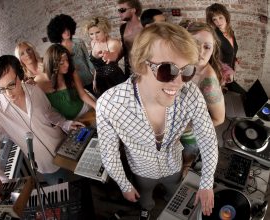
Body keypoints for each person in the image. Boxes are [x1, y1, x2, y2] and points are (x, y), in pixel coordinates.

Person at [96, 23, 218, 220]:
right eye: (167, 70)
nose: (178, 83)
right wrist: (125, 184)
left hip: (174, 165)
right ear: (141, 64)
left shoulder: (191, 93)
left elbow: (208, 138)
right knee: (146, 200)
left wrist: (206, 183)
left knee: (174, 194)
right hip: (142, 170)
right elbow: (109, 154)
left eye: (187, 71)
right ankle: (147, 208)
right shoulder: (109, 105)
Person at [0, 55, 84, 202]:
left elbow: (49, 112)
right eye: (2, 89)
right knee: (69, 202)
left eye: (11, 85)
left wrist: (66, 124)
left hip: (65, 149)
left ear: (21, 75)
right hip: (46, 167)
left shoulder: (34, 90)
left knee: (83, 189)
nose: (8, 93)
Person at [179, 21, 225, 172]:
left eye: (207, 47)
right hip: (175, 130)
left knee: (182, 168)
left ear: (213, 50)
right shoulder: (185, 65)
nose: (201, 51)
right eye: (195, 43)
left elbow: (219, 118)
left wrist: (186, 127)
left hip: (189, 138)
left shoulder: (208, 81)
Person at [35, 44, 96, 120]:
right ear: (51, 64)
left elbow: (82, 94)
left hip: (84, 109)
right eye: (61, 63)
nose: (67, 65)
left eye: (67, 60)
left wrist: (95, 106)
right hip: (66, 122)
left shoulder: (72, 73)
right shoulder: (39, 82)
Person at [47, 14, 95, 94]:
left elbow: (88, 58)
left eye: (68, 29)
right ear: (58, 33)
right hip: (72, 83)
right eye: (63, 31)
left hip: (88, 78)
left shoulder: (79, 42)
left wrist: (94, 75)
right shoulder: (58, 49)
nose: (67, 32)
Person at [84, 16, 127, 97]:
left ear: (104, 30)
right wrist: (94, 79)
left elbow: (115, 54)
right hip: (100, 81)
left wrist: (111, 55)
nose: (94, 37)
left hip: (114, 79)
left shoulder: (113, 43)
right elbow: (96, 66)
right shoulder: (93, 43)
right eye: (91, 34)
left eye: (97, 32)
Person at [206, 3, 242, 93]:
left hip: (230, 73)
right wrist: (225, 73)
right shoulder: (214, 35)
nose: (218, 22)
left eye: (220, 17)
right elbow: (212, 58)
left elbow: (230, 49)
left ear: (226, 16)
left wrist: (234, 58)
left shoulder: (231, 32)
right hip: (220, 76)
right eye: (215, 19)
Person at [117, 0, 143, 77]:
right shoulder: (123, 27)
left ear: (133, 10)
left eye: (122, 10)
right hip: (129, 70)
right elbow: (126, 48)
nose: (119, 13)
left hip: (145, 68)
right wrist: (115, 57)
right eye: (118, 10)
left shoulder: (144, 27)